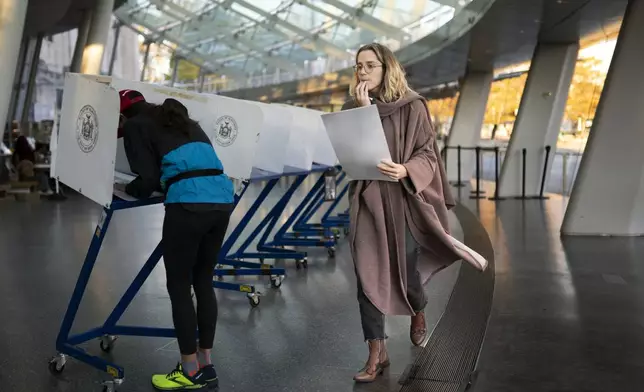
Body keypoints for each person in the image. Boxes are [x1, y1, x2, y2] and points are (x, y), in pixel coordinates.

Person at [342, 43, 487, 383]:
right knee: (366, 276)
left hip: (403, 200)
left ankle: (418, 307)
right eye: (358, 66)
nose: (363, 72)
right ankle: (376, 351)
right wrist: (362, 115)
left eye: (370, 65)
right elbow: (350, 151)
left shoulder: (413, 106)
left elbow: (427, 153)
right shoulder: (353, 108)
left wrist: (406, 170)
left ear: (386, 68)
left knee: (407, 274)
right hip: (368, 200)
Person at [117, 89, 235, 391]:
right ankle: (205, 364)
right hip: (222, 199)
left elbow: (148, 180)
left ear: (122, 114)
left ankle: (188, 371)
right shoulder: (182, 120)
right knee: (203, 280)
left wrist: (127, 188)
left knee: (179, 286)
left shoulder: (134, 125)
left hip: (188, 203)